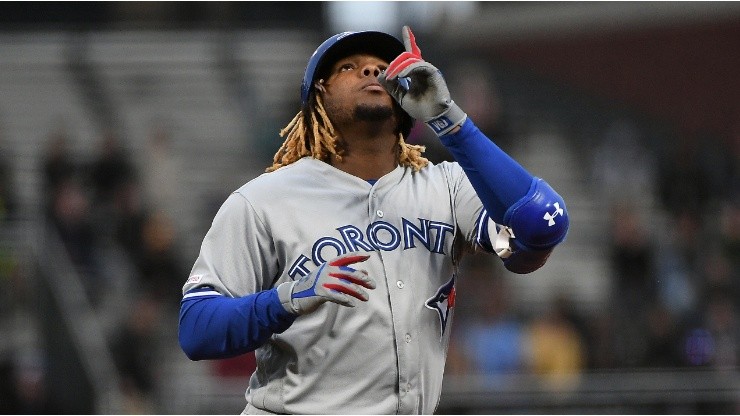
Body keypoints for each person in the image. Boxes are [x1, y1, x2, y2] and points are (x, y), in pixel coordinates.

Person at [178, 26, 569, 414]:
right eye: (349, 67)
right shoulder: (262, 200)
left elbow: (541, 228)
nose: (370, 72)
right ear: (318, 95)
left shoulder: (446, 186)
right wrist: (287, 298)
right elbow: (197, 330)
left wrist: (449, 120)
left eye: (383, 67)